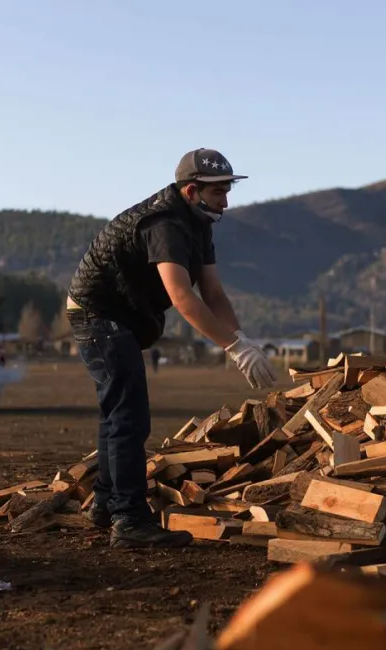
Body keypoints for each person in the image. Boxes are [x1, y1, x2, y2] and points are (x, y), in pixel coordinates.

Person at [66, 148, 278, 548]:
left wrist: (242, 338)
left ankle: (107, 505)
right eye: (218, 193)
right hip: (97, 313)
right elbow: (183, 298)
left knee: (117, 412)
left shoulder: (199, 226)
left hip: (121, 315)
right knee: (128, 415)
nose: (226, 202)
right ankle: (128, 521)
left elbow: (212, 292)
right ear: (192, 191)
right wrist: (232, 347)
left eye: (227, 191)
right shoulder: (165, 224)